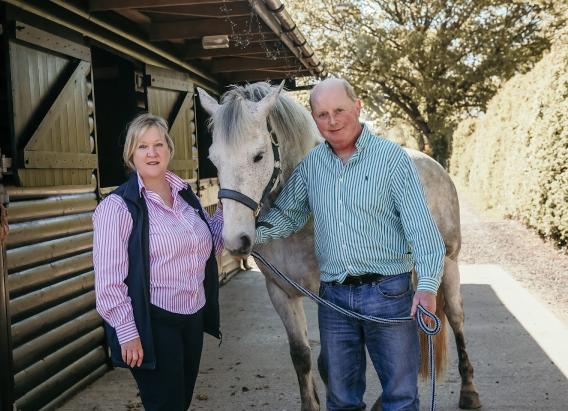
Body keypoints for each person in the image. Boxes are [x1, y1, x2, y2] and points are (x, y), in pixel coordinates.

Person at [255, 78, 445, 411]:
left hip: (389, 294)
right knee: (341, 400)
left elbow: (423, 232)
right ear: (314, 119)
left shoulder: (391, 160)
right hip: (335, 300)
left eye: (339, 110)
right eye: (323, 114)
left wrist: (427, 286)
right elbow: (287, 216)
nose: (332, 120)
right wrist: (246, 234)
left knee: (400, 397)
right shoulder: (312, 166)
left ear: (357, 107)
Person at [93, 113, 223, 411]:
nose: (152, 153)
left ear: (169, 149)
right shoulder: (117, 207)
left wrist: (228, 209)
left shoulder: (184, 194)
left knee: (179, 404)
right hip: (153, 323)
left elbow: (205, 250)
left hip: (191, 318)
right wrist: (128, 334)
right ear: (131, 154)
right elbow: (109, 284)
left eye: (158, 144)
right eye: (142, 146)